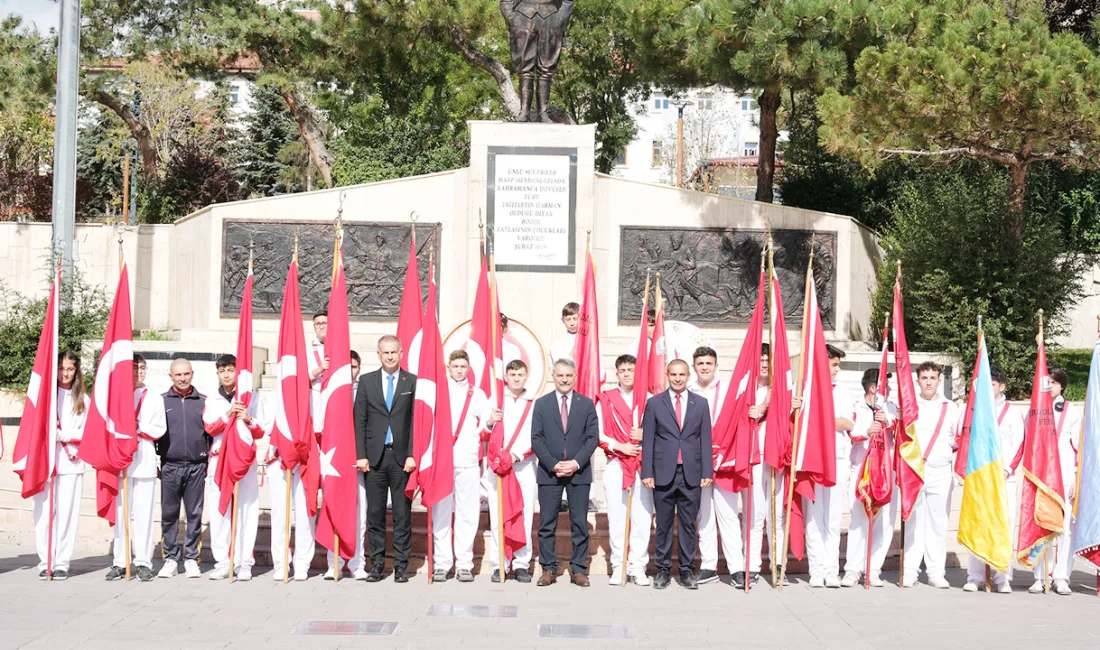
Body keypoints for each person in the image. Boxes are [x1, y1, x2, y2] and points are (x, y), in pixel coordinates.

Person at [642, 360, 714, 590]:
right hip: (663, 473)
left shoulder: (700, 404)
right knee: (662, 524)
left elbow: (705, 439)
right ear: (667, 375)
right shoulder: (654, 403)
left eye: (682, 374)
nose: (678, 378)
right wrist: (647, 471)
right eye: (673, 374)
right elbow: (649, 439)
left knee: (688, 524)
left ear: (688, 374)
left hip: (691, 473)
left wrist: (707, 471)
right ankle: (662, 570)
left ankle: (686, 570)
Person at [531, 359, 600, 587]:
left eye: (569, 375)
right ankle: (548, 568)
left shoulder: (587, 404)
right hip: (549, 473)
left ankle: (578, 569)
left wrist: (575, 463)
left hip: (578, 472)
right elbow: (536, 439)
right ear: (553, 376)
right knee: (547, 523)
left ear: (575, 376)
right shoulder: (542, 404)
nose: (564, 379)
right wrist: (553, 464)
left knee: (579, 522)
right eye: (560, 375)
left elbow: (593, 438)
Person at [355, 335, 417, 583]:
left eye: (394, 352)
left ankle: (401, 565)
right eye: (385, 352)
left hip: (402, 458)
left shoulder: (411, 381)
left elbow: (415, 422)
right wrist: (361, 455)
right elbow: (359, 420)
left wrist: (413, 453)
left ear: (401, 353)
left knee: (402, 514)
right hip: (375, 459)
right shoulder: (367, 381)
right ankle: (377, 564)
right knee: (376, 514)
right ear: (378, 355)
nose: (390, 356)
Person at [959, 365, 1024, 593]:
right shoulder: (973, 410)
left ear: (1002, 386)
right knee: (976, 522)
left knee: (1003, 525)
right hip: (979, 478)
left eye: (993, 384)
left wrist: (1005, 470)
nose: (989, 388)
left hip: (1003, 479)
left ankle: (1002, 576)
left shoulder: (1012, 412)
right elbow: (962, 437)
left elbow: (1019, 445)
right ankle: (975, 576)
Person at [202, 355, 264, 581]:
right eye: (222, 371)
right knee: (220, 512)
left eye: (230, 370)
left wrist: (248, 419)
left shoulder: (251, 397)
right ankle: (222, 561)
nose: (226, 374)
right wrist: (228, 415)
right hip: (220, 460)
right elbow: (210, 428)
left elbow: (260, 430)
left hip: (244, 460)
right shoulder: (211, 400)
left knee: (246, 511)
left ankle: (245, 561)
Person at [106, 354, 166, 582]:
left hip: (145, 459)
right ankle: (120, 561)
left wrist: (137, 427)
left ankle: (143, 561)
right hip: (122, 461)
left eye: (142, 368)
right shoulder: (118, 396)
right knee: (122, 512)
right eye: (134, 368)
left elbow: (159, 428)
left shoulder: (154, 397)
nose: (139, 372)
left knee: (144, 513)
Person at [903, 361, 961, 589]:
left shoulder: (951, 408)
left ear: (939, 380)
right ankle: (909, 570)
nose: (928, 382)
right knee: (914, 521)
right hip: (915, 471)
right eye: (924, 378)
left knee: (938, 522)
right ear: (918, 381)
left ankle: (936, 572)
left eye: (932, 378)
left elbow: (958, 440)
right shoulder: (909, 405)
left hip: (940, 470)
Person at [597, 354, 654, 586]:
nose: (628, 373)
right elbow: (599, 434)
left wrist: (645, 435)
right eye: (623, 370)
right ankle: (619, 565)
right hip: (617, 462)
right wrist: (619, 446)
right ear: (617, 373)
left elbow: (662, 434)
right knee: (617, 516)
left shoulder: (649, 399)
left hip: (642, 464)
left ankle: (638, 566)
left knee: (642, 516)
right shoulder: (606, 399)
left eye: (632, 369)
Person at [33, 351, 89, 580]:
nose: (65, 373)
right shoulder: (45, 396)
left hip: (71, 463)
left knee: (67, 514)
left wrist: (63, 436)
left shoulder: (83, 399)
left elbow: (86, 432)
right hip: (45, 463)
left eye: (70, 369)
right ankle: (45, 560)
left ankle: (62, 561)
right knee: (44, 513)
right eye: (61, 368)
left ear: (76, 371)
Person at [481, 359, 538, 583]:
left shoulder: (534, 403)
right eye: (512, 374)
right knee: (498, 515)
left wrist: (518, 455)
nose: (516, 378)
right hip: (498, 468)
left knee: (524, 516)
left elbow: (537, 435)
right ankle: (500, 564)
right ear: (505, 376)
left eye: (520, 374)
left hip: (523, 467)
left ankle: (522, 563)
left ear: (526, 376)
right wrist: (489, 421)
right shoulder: (495, 400)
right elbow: (481, 432)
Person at [841, 368, 898, 588]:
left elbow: (903, 429)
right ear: (873, 388)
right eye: (886, 386)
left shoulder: (890, 408)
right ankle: (853, 570)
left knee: (883, 522)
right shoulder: (856, 406)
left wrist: (888, 421)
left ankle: (873, 568)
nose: (890, 390)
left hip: (884, 470)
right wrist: (868, 430)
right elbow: (852, 433)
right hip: (861, 470)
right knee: (858, 520)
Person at [804, 345, 856, 588]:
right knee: (814, 517)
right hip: (813, 459)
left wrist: (820, 417)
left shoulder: (843, 390)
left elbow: (847, 422)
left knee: (833, 517)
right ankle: (816, 568)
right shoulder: (804, 388)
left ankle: (831, 569)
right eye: (834, 364)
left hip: (837, 457)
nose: (837, 369)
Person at [1029, 366, 1081, 596]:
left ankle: (1061, 577)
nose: (1049, 386)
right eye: (1046, 382)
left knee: (1065, 531)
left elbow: (1080, 449)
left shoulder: (1072, 412)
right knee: (1041, 526)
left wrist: (1076, 480)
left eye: (1054, 382)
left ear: (1062, 386)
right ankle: (1040, 576)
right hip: (1041, 478)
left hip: (1065, 477)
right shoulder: (1034, 411)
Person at [687, 346, 735, 586]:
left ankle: (736, 566)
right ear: (694, 367)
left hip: (725, 457)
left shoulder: (729, 390)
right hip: (697, 460)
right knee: (703, 514)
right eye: (700, 363)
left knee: (728, 513)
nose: (705, 367)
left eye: (709, 363)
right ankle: (708, 565)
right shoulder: (687, 391)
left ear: (716, 366)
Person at [157, 358, 208, 579]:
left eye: (186, 374)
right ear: (171, 376)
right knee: (169, 514)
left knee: (194, 513)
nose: (182, 378)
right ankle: (169, 558)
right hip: (170, 465)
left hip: (197, 466)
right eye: (178, 375)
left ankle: (190, 558)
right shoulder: (161, 401)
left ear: (192, 374)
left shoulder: (203, 401)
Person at [439, 350, 487, 582]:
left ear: (468, 368)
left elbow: (487, 425)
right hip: (442, 460)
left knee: (468, 512)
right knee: (441, 512)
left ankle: (464, 563)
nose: (459, 370)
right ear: (448, 367)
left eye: (462, 366)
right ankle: (441, 562)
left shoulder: (477, 394)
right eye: (455, 366)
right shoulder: (439, 390)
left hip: (467, 460)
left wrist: (490, 420)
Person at [745, 344, 787, 585]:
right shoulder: (745, 389)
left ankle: (777, 561)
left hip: (776, 457)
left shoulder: (782, 390)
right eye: (760, 360)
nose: (763, 364)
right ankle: (752, 564)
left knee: (776, 515)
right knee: (755, 513)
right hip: (752, 458)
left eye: (767, 360)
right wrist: (763, 406)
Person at [326, 350, 369, 580]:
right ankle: (333, 562)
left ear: (359, 368)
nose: (350, 371)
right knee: (334, 508)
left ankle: (356, 562)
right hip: (336, 461)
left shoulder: (366, 389)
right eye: (346, 367)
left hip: (359, 462)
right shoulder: (332, 391)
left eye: (354, 367)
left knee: (359, 515)